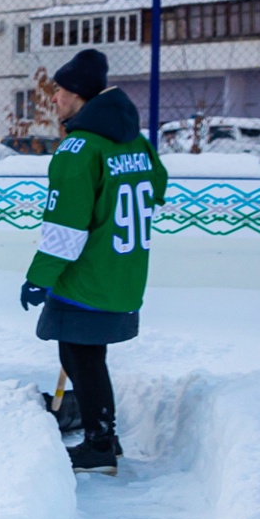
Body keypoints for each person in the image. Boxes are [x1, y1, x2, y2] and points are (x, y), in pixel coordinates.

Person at [22, 47, 168, 475]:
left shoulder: (79, 148)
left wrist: (39, 277)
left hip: (87, 274)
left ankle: (101, 442)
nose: (55, 99)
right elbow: (156, 187)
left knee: (80, 354)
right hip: (125, 269)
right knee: (86, 351)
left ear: (81, 97)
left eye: (61, 91)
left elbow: (65, 228)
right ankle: (84, 416)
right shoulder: (135, 141)